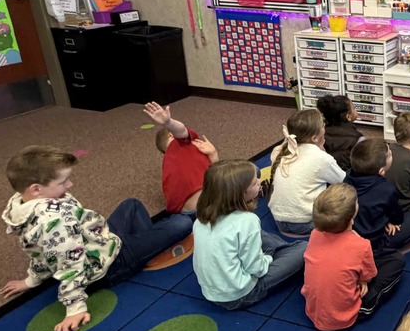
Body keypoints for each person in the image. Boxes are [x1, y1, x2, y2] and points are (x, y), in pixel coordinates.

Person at [0, 145, 193, 331]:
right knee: (182, 223)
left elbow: (38, 250)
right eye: (63, 182)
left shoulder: (21, 203)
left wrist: (31, 280)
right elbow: (69, 263)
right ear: (36, 189)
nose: (69, 185)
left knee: (131, 205)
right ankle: (144, 255)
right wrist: (75, 308)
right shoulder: (53, 222)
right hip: (108, 266)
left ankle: (146, 250)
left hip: (99, 241)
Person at [192, 159, 306, 310]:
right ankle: (283, 254)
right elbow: (257, 269)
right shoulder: (247, 220)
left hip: (210, 292)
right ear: (238, 193)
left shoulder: (200, 219)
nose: (260, 181)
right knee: (303, 247)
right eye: (254, 183)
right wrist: (267, 258)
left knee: (256, 234)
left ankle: (282, 252)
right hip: (240, 295)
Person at [301, 184, 404, 330]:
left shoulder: (314, 235)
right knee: (397, 260)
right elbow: (369, 276)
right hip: (345, 317)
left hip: (313, 311)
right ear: (351, 220)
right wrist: (363, 281)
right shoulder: (361, 245)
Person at [344, 138, 410, 256]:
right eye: (390, 154)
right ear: (381, 171)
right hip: (377, 241)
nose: (392, 153)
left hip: (353, 235)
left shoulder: (347, 177)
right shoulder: (386, 189)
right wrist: (390, 221)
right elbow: (397, 218)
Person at [267, 109, 345, 236]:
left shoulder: (279, 150)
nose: (325, 127)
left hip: (279, 220)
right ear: (314, 138)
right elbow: (343, 180)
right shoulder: (321, 158)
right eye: (323, 126)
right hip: (306, 223)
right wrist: (322, 151)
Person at [143, 101, 219, 214]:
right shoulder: (179, 145)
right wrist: (168, 123)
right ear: (171, 135)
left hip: (195, 208)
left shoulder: (174, 159)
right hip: (208, 204)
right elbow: (181, 130)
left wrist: (213, 153)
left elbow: (214, 172)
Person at [317, 94, 363, 172]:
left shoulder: (320, 134)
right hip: (347, 178)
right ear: (348, 116)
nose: (356, 110)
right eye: (354, 108)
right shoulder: (357, 138)